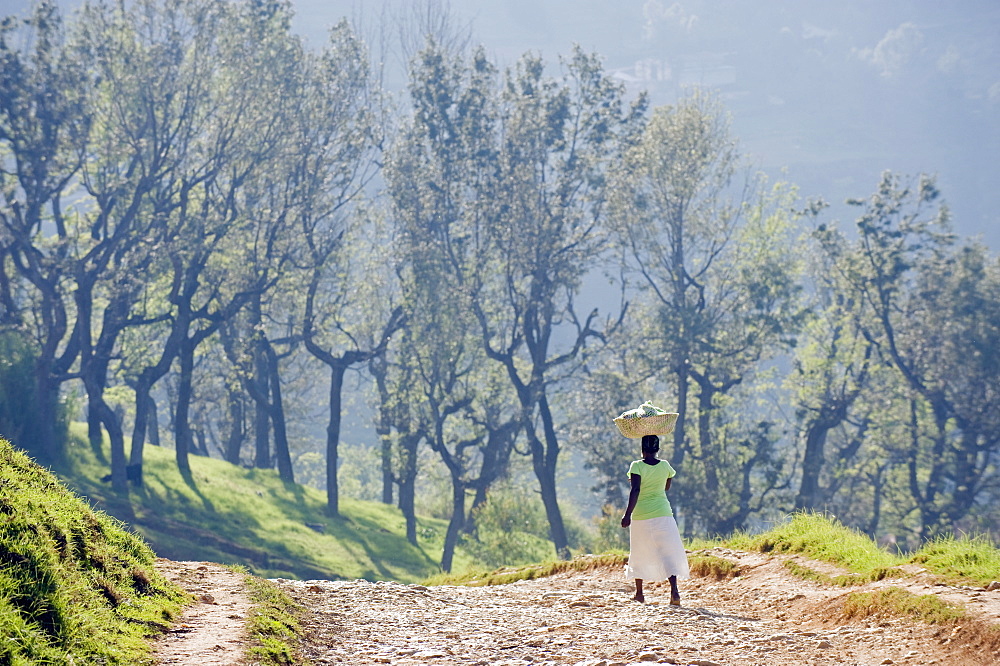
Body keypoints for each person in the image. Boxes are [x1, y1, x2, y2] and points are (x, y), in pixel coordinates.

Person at [620, 434, 689, 604]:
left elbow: (635, 490)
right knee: (668, 552)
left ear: (642, 450)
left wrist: (627, 514)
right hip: (664, 514)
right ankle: (674, 592)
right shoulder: (665, 466)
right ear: (657, 449)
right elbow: (666, 486)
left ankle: (640, 594)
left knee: (638, 551)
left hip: (641, 515)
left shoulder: (636, 466)